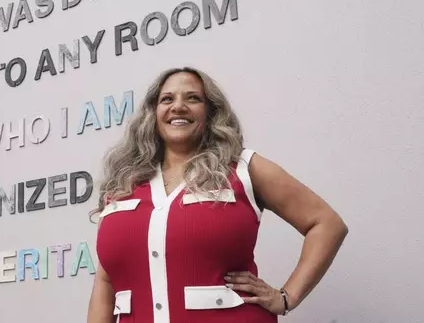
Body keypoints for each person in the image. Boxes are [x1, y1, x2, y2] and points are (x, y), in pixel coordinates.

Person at [86, 67, 348, 323]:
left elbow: (326, 224)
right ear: (152, 114)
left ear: (211, 112)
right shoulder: (123, 184)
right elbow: (106, 281)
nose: (178, 106)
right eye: (167, 99)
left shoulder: (244, 168)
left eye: (193, 98)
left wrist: (286, 297)